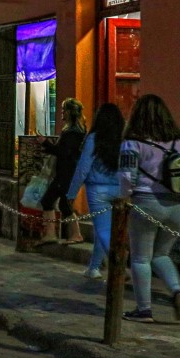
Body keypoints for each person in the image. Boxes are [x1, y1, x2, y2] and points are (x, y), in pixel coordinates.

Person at [117, 94, 180, 323]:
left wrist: (125, 198)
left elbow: (127, 176)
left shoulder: (133, 141)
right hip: (179, 206)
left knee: (140, 258)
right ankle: (177, 291)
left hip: (147, 203)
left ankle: (143, 309)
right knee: (161, 254)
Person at [65, 103, 124, 280]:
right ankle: (94, 267)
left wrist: (71, 192)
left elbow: (83, 168)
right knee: (102, 229)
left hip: (98, 190)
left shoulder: (94, 139)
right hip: (119, 189)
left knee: (103, 230)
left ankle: (120, 267)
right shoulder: (123, 140)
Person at [38, 98, 87, 245]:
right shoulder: (74, 131)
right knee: (58, 202)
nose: (61, 112)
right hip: (66, 172)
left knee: (54, 201)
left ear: (70, 112)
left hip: (66, 173)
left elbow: (64, 152)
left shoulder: (73, 132)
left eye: (64, 109)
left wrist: (45, 143)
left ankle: (72, 234)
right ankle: (55, 233)